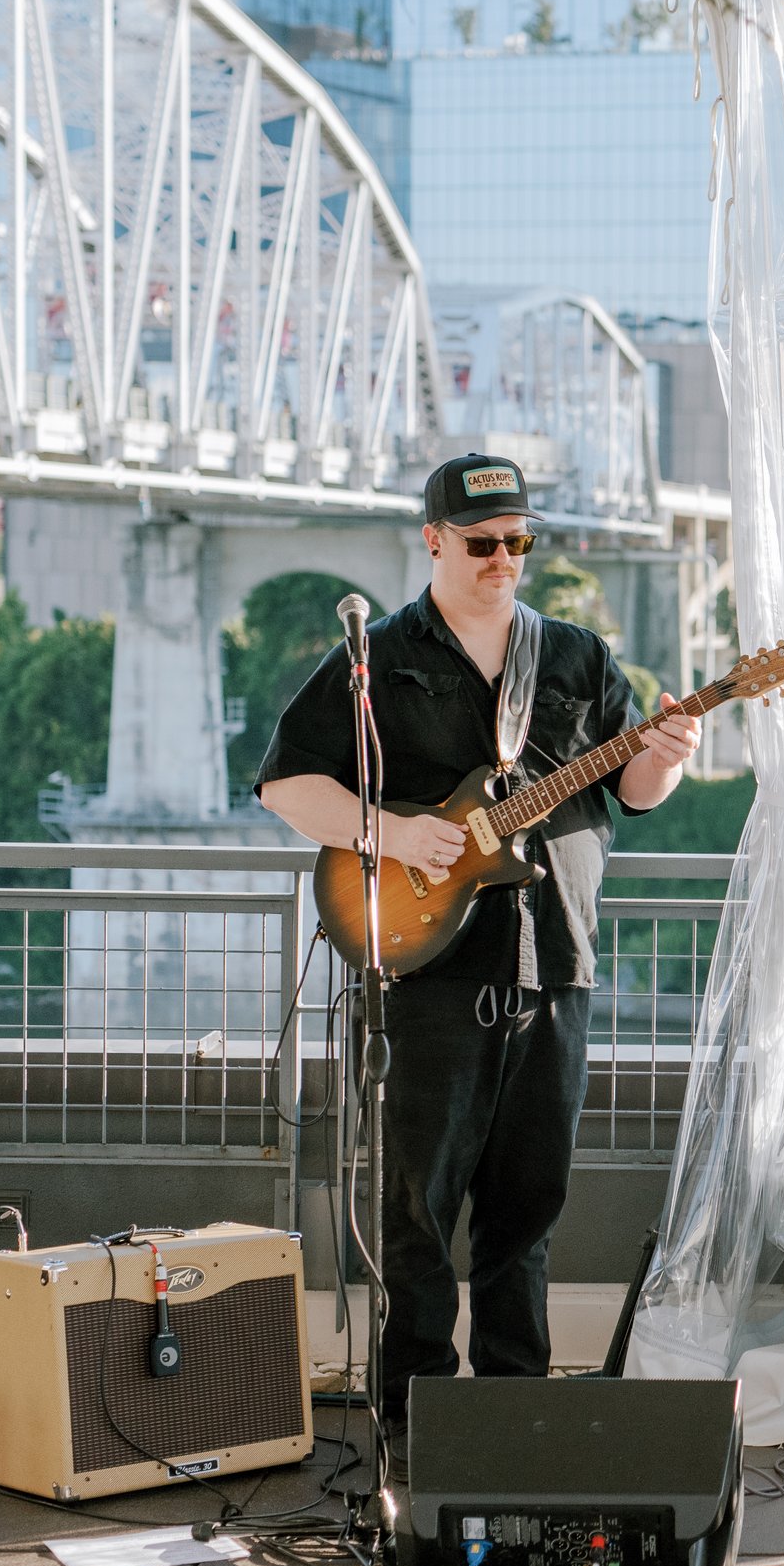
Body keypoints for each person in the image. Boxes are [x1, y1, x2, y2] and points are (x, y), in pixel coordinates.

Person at [256, 453, 700, 1468]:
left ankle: (513, 1422)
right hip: (428, 977)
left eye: (518, 542)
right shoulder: (379, 656)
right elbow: (288, 786)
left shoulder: (579, 659)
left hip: (558, 968)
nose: (504, 561)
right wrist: (392, 835)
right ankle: (413, 1434)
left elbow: (631, 794)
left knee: (526, 1212)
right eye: (482, 543)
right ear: (433, 540)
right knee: (417, 1211)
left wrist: (666, 756)